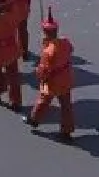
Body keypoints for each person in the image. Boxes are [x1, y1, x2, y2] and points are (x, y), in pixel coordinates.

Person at [24, 8, 76, 142]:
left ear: (45, 33)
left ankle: (34, 119)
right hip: (66, 77)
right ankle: (67, 131)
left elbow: (43, 70)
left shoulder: (48, 51)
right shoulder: (65, 42)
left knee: (43, 101)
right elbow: (70, 49)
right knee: (66, 106)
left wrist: (40, 77)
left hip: (53, 81)